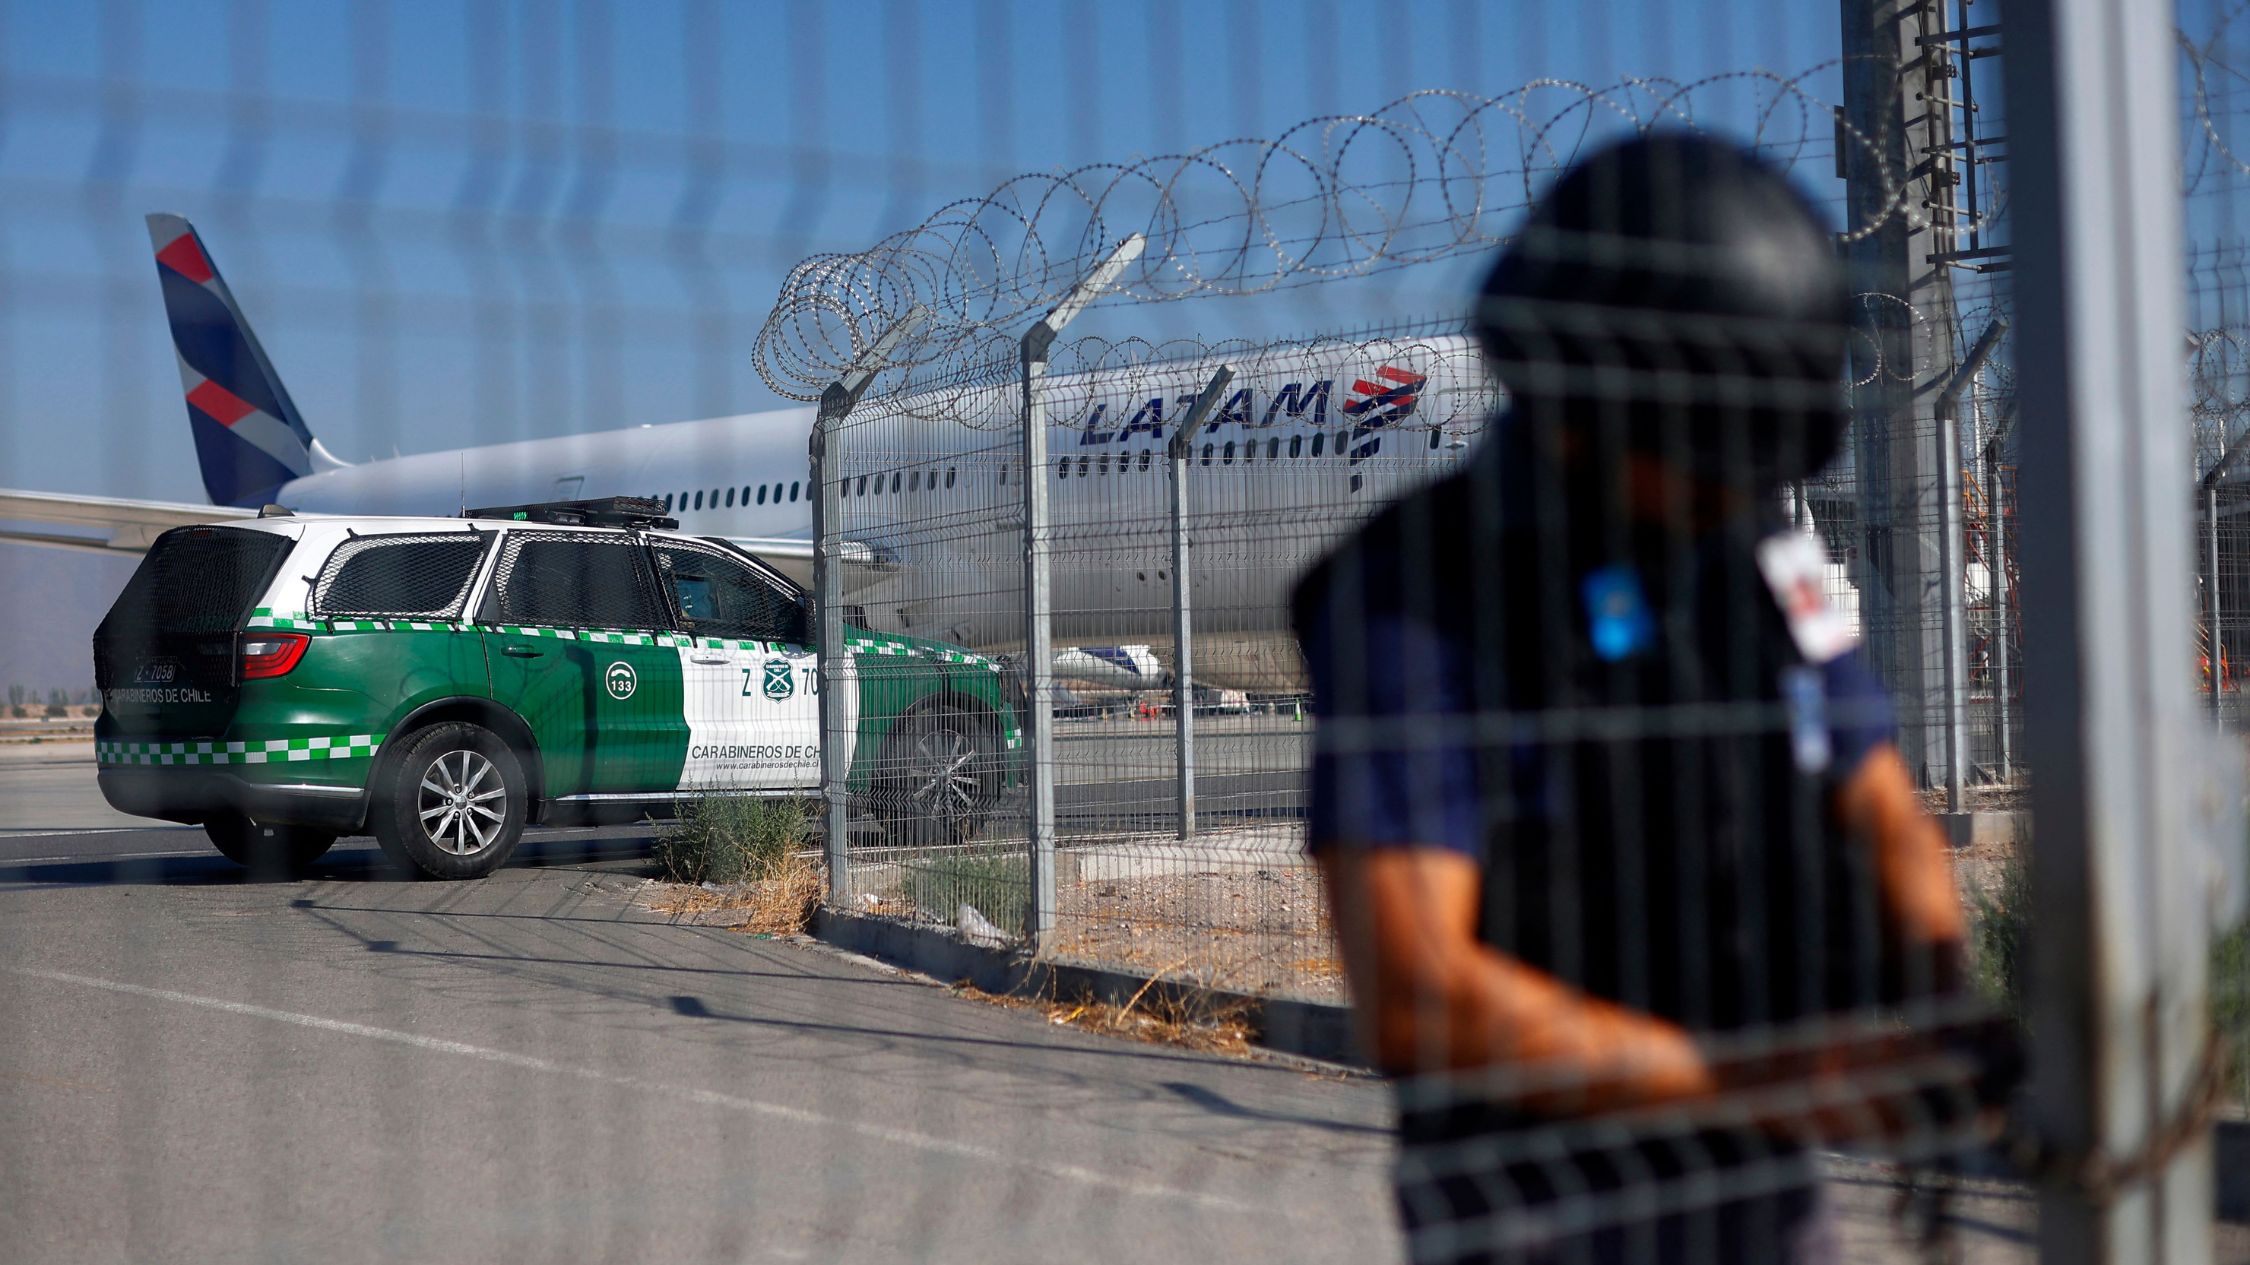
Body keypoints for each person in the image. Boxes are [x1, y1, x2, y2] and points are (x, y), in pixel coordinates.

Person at [1292, 133, 2007, 1264]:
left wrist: (1939, 994)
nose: (1740, 483)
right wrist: (1759, 1085)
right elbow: (1416, 986)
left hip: (1757, 1183)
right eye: (1712, 445)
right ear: (1592, 393)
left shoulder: (1757, 547)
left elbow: (1876, 799)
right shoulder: (1414, 592)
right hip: (1537, 1204)